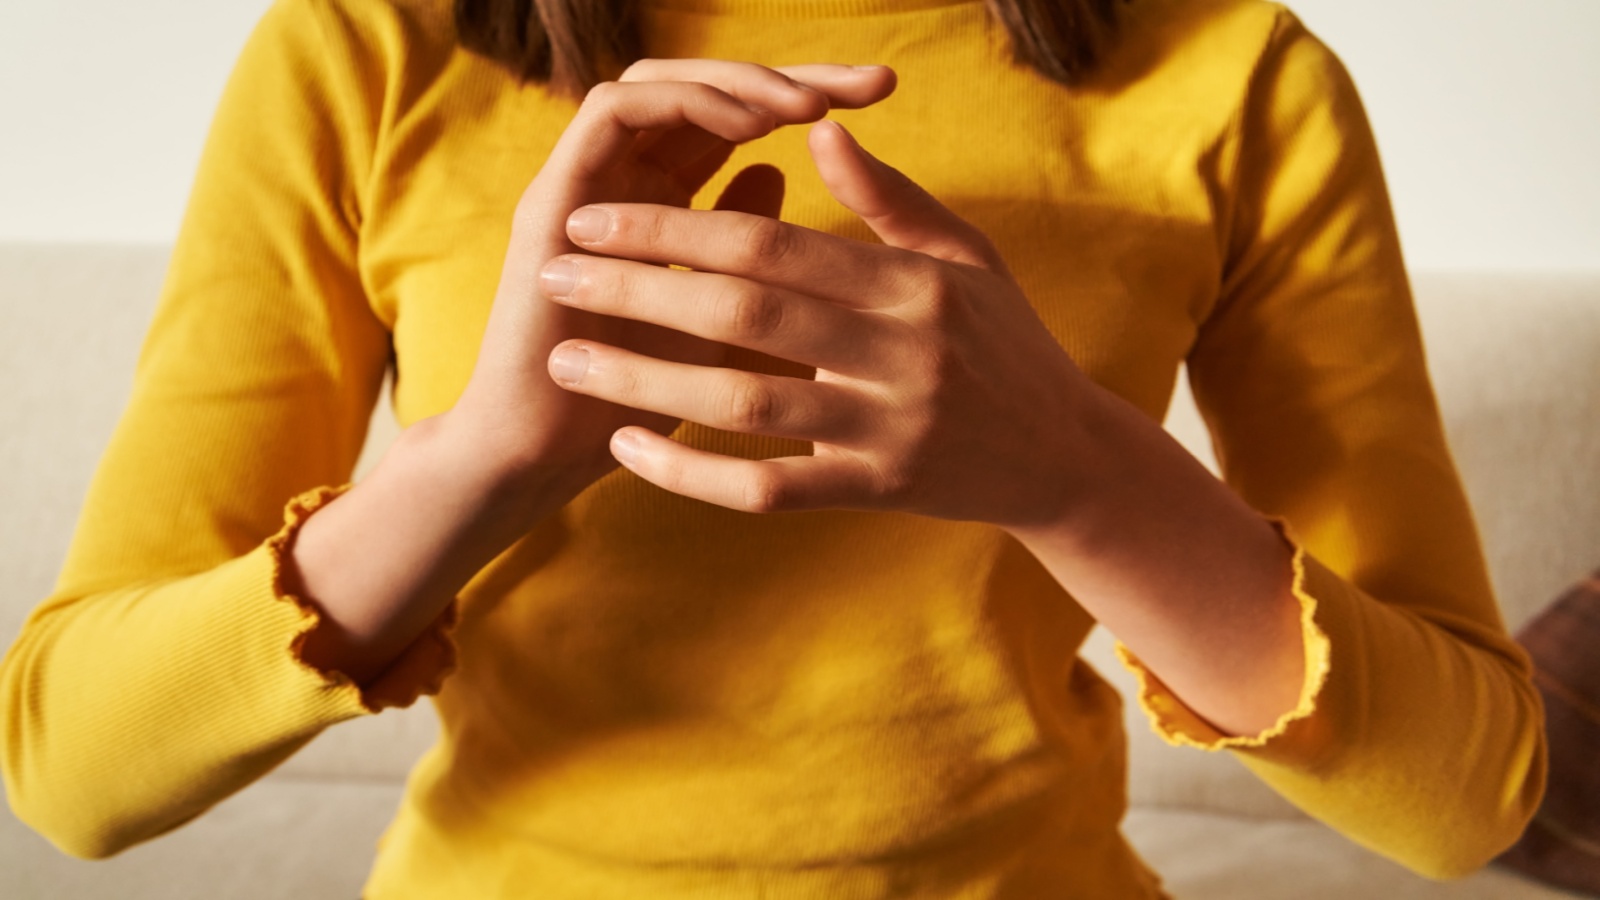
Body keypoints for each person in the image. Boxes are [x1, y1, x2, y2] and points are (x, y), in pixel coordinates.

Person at [0, 0, 1547, 895]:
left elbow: (1466, 792)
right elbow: (76, 766)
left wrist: (1079, 472)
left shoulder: (1238, 70)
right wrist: (485, 461)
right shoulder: (362, 48)